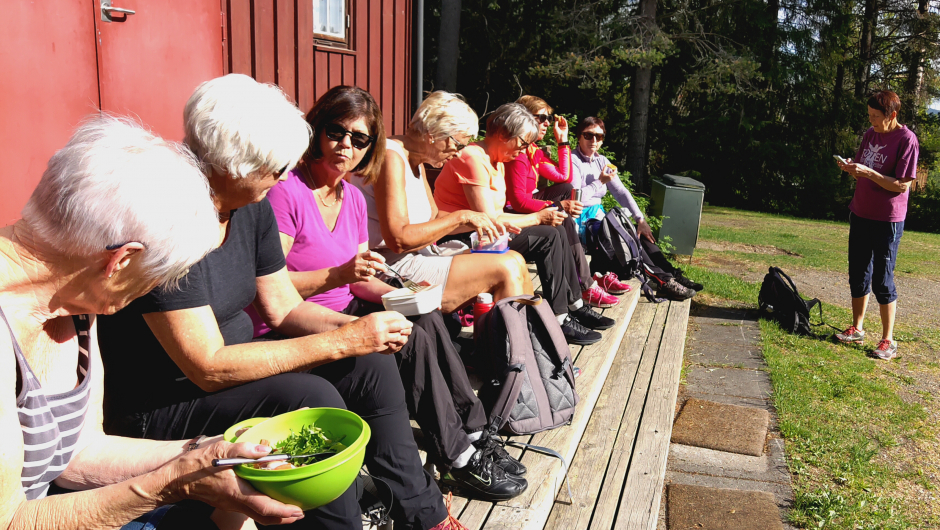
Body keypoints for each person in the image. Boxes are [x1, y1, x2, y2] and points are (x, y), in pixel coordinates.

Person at [97, 74, 465, 530]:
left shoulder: (249, 206)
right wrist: (340, 341)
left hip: (231, 369)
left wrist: (358, 333)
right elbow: (206, 366)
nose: (284, 177)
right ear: (233, 163)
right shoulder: (166, 218)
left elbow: (283, 308)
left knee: (370, 366)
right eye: (274, 168)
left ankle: (422, 512)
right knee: (309, 398)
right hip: (163, 401)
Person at [0, 115, 306, 529]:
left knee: (234, 513)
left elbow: (80, 452)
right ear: (121, 260)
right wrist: (174, 482)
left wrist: (213, 452)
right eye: (160, 276)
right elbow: (9, 520)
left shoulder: (76, 301)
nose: (154, 288)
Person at [250, 85, 527, 502]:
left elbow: (360, 278)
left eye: (359, 138)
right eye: (336, 132)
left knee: (425, 316)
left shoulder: (351, 198)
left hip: (344, 303)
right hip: (297, 321)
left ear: (370, 145)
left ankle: (473, 429)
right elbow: (271, 289)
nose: (346, 145)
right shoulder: (288, 191)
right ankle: (457, 455)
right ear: (316, 130)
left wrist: (407, 292)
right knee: (408, 339)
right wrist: (337, 275)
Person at [433, 103, 615, 345]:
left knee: (557, 229)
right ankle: (560, 318)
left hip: (486, 233)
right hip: (462, 238)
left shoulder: (496, 160)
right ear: (502, 134)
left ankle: (573, 304)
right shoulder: (472, 159)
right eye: (522, 143)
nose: (523, 149)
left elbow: (498, 214)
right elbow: (488, 219)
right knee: (549, 236)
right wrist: (539, 217)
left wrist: (545, 215)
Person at [351, 91, 533, 313]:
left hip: (418, 254)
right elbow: (398, 239)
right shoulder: (391, 158)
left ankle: (529, 332)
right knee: (505, 268)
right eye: (458, 144)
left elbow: (435, 219)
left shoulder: (415, 160)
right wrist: (462, 216)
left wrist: (484, 221)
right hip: (388, 266)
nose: (457, 154)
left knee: (515, 259)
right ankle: (512, 334)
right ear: (434, 134)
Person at [507, 95, 627, 308]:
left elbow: (564, 177)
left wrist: (562, 140)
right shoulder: (518, 154)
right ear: (524, 118)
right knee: (563, 218)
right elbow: (518, 203)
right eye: (542, 117)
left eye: (548, 118)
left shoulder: (533, 151)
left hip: (525, 207)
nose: (547, 123)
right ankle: (585, 286)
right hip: (511, 216)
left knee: (565, 192)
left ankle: (585, 285)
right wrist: (557, 207)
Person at [570, 117, 701, 301]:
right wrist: (600, 181)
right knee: (626, 235)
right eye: (588, 135)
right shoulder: (572, 160)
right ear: (579, 136)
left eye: (598, 137)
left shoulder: (602, 161)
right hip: (582, 224)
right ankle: (664, 281)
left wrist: (640, 219)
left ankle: (671, 273)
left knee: (640, 233)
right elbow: (575, 199)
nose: (594, 140)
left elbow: (621, 192)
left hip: (599, 219)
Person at [835, 90, 918, 361]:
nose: (871, 121)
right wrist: (852, 167)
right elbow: (862, 167)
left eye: (875, 116)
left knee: (882, 279)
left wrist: (869, 172)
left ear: (892, 115)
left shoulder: (907, 140)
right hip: (861, 213)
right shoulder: (870, 134)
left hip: (887, 220)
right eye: (869, 115)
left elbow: (902, 185)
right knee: (858, 273)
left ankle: (888, 340)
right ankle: (857, 328)